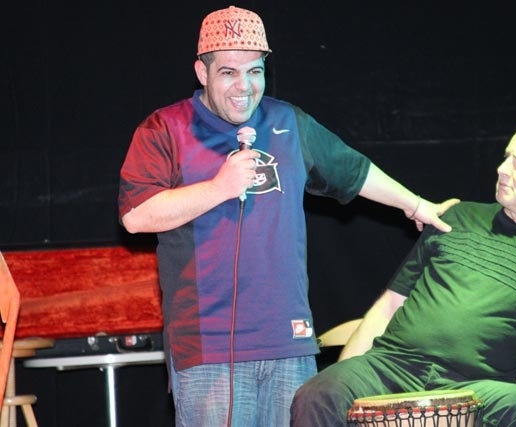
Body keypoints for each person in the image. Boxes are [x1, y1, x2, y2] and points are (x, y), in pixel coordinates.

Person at [117, 5, 459, 427]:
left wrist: (417, 205)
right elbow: (136, 215)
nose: (244, 87)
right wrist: (220, 187)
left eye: (255, 72)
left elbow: (353, 170)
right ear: (202, 72)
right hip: (210, 351)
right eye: (228, 73)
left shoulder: (287, 122)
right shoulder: (164, 129)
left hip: (289, 343)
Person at [290, 123, 516, 426]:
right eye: (506, 157)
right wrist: (347, 376)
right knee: (319, 394)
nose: (502, 169)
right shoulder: (456, 216)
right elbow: (390, 304)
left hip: (477, 390)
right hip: (392, 366)